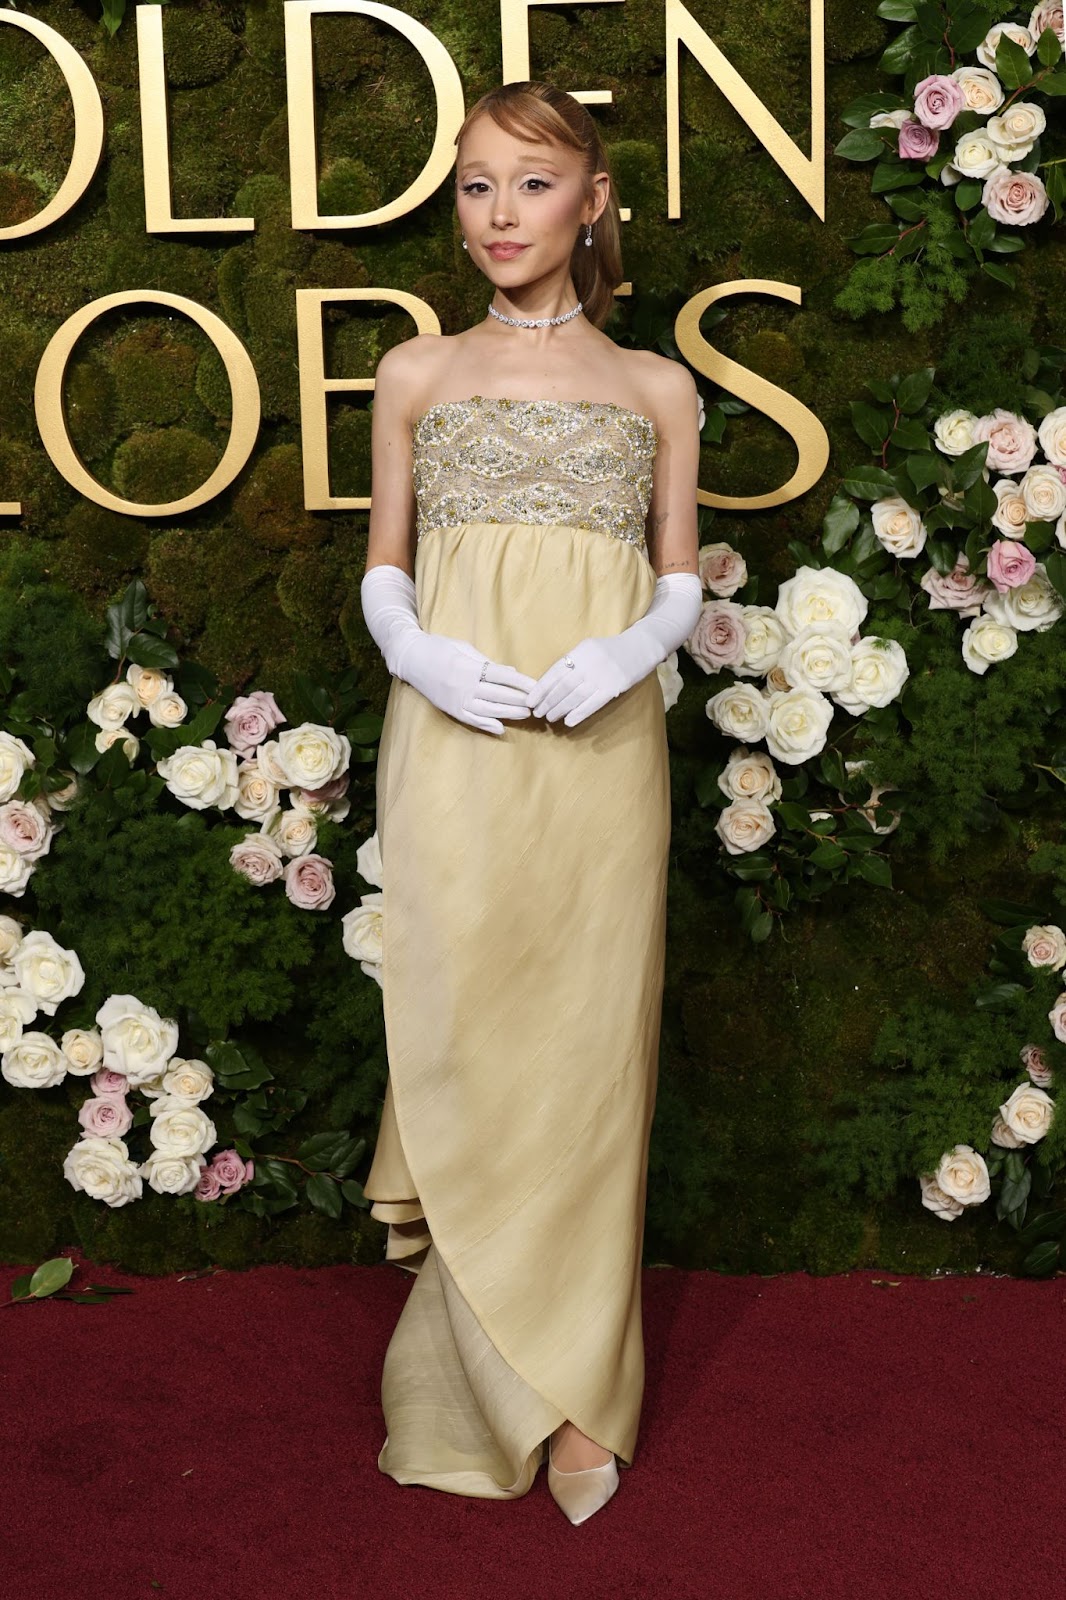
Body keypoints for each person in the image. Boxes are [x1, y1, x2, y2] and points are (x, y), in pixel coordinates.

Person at [358, 79, 702, 1526]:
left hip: (602, 756)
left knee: (583, 1054)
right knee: (465, 1023)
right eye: (475, 186)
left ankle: (571, 1394)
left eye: (530, 184)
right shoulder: (415, 373)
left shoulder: (657, 390)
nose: (498, 215)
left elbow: (678, 573)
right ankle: (463, 1376)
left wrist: (631, 644)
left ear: (594, 199)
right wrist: (418, 650)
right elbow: (383, 562)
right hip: (449, 745)